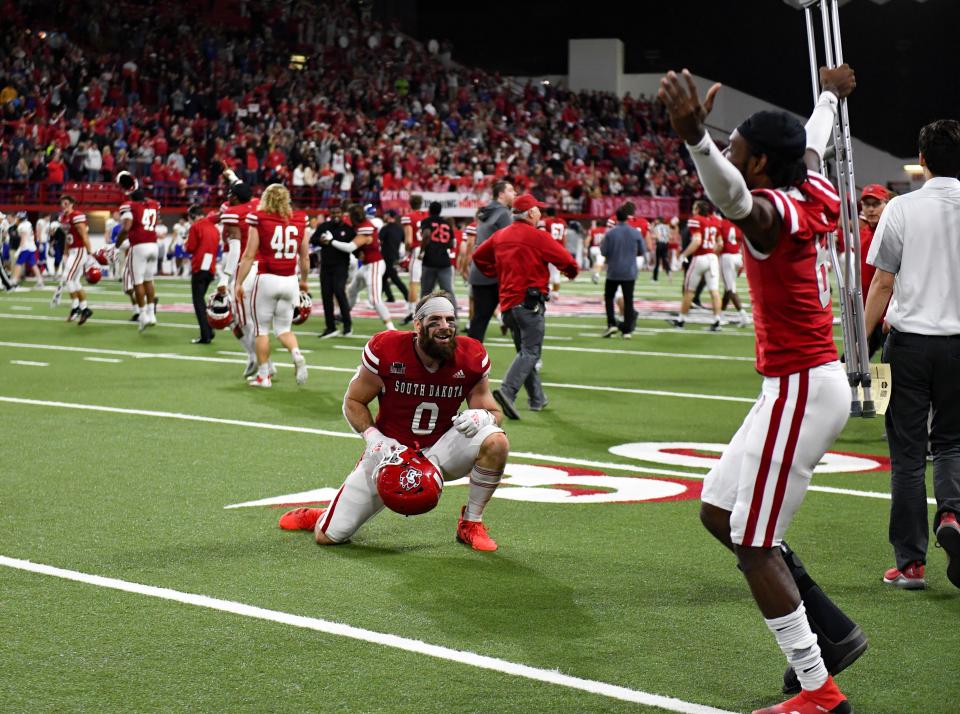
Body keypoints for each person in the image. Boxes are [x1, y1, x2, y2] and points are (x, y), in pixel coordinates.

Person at [660, 65, 865, 714]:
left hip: (802, 385)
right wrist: (829, 94)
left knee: (754, 543)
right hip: (797, 382)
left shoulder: (771, 212)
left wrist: (696, 142)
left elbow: (735, 200)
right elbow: (813, 140)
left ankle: (818, 689)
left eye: (739, 151)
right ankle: (829, 629)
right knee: (720, 514)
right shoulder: (810, 183)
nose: (731, 155)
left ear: (763, 165)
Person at [277, 291, 509, 552]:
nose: (445, 327)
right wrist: (374, 438)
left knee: (496, 441)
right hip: (390, 452)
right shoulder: (387, 349)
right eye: (435, 320)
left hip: (442, 449)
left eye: (450, 319)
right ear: (418, 325)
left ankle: (471, 522)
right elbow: (354, 401)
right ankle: (327, 513)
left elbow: (493, 411)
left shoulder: (471, 356)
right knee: (329, 536)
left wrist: (484, 416)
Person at [863, 119, 960, 592]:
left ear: (921, 160)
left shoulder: (901, 208)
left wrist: (859, 346)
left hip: (911, 343)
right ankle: (953, 514)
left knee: (906, 456)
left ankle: (910, 564)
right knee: (953, 442)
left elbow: (882, 282)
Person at [472, 193, 578, 420]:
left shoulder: (501, 235)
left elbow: (479, 256)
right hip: (530, 303)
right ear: (530, 213)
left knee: (525, 352)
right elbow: (567, 261)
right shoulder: (537, 236)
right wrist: (571, 272)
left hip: (508, 305)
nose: (539, 212)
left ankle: (537, 398)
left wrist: (494, 273)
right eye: (537, 209)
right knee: (531, 352)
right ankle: (508, 391)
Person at [235, 183, 310, 388]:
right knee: (284, 329)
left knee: (261, 330)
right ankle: (296, 355)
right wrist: (304, 281)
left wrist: (239, 282)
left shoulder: (260, 218)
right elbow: (305, 258)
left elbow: (249, 255)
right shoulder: (300, 219)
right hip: (290, 280)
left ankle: (263, 376)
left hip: (267, 278)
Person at [321, 204, 396, 331]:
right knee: (352, 291)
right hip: (366, 265)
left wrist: (331, 241)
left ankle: (391, 328)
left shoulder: (365, 228)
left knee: (375, 299)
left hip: (374, 265)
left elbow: (350, 247)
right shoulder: (362, 224)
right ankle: (342, 315)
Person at [218, 171, 263, 377]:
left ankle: (262, 362)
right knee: (247, 320)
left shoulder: (233, 212)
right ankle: (255, 357)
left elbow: (235, 250)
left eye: (230, 194)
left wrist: (224, 278)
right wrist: (231, 174)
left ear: (235, 197)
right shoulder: (257, 204)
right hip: (262, 268)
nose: (228, 197)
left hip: (243, 269)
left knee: (241, 321)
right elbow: (241, 187)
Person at [465, 180, 515, 341]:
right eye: (511, 190)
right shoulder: (504, 214)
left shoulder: (485, 211)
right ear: (501, 194)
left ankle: (468, 359)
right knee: (519, 316)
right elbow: (509, 245)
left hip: (479, 269)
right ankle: (528, 359)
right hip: (495, 271)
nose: (514, 193)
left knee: (479, 318)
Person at [115, 171, 161, 333]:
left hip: (139, 246)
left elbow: (126, 228)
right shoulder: (153, 204)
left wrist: (117, 243)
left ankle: (142, 315)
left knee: (138, 282)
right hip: (153, 245)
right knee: (149, 280)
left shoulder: (130, 206)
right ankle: (151, 314)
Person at [672, 200, 722, 331]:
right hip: (712, 258)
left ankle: (681, 320)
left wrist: (683, 255)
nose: (693, 211)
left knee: (689, 291)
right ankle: (717, 321)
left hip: (699, 258)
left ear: (698, 209)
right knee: (714, 291)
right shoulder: (715, 221)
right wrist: (711, 253)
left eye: (694, 208)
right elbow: (720, 243)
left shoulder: (696, 220)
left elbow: (697, 240)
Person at [601, 205, 646, 339]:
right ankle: (627, 330)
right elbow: (642, 251)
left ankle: (611, 324)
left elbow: (604, 251)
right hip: (629, 271)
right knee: (628, 299)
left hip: (613, 271)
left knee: (609, 297)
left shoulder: (610, 233)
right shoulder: (635, 232)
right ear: (627, 218)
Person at [857, 184, 890, 358]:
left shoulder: (894, 233)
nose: (870, 209)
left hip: (889, 318)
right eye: (866, 204)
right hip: (867, 315)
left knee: (895, 373)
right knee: (849, 366)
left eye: (876, 204)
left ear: (886, 203)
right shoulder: (860, 235)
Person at [314, 204, 355, 339]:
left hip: (341, 266)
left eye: (338, 212)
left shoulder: (348, 229)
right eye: (333, 212)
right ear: (330, 214)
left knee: (339, 292)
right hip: (326, 266)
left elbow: (353, 246)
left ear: (342, 213)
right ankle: (330, 327)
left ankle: (347, 325)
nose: (335, 215)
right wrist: (321, 241)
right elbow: (313, 239)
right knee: (326, 295)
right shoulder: (324, 227)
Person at [185, 205, 221, 345]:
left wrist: (185, 243)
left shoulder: (196, 227)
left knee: (198, 301)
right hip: (210, 266)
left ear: (193, 216)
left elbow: (191, 248)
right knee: (201, 300)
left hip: (199, 266)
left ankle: (206, 334)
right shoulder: (214, 227)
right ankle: (209, 329)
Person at [58, 195, 94, 324]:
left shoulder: (76, 215)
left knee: (68, 278)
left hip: (79, 251)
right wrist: (65, 253)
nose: (64, 206)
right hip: (72, 252)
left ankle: (76, 307)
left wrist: (90, 254)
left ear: (72, 204)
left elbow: (84, 235)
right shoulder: (63, 218)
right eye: (62, 203)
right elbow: (67, 237)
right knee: (75, 281)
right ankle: (84, 309)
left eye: (66, 203)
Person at [419, 201, 457, 306]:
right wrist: (442, 246)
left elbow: (426, 235)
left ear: (429, 210)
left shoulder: (426, 221)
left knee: (426, 291)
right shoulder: (447, 224)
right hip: (444, 260)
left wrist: (422, 251)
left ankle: (423, 316)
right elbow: (451, 243)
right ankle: (454, 315)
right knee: (448, 291)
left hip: (429, 260)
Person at [401, 194, 429, 322]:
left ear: (410, 203)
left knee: (414, 281)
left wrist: (407, 253)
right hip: (429, 250)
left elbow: (408, 240)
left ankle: (411, 311)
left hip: (417, 250)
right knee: (427, 282)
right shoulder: (426, 216)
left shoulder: (408, 217)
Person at [719, 215, 750, 326]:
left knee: (730, 288)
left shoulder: (721, 223)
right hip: (737, 255)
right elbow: (743, 242)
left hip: (727, 257)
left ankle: (743, 316)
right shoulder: (738, 223)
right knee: (728, 288)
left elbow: (719, 243)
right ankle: (721, 314)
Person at [379, 209, 408, 305]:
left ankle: (407, 295)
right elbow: (404, 241)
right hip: (395, 256)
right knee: (383, 278)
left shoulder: (385, 228)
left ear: (388, 216)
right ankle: (390, 297)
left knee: (394, 278)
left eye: (385, 214)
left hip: (386, 256)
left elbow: (379, 241)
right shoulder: (400, 228)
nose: (384, 216)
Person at [10, 212, 44, 289]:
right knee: (33, 265)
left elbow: (23, 238)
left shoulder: (22, 226)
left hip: (26, 248)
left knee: (18, 264)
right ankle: (40, 281)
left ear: (20, 218)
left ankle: (14, 281)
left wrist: (19, 250)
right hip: (31, 247)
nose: (16, 219)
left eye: (17, 217)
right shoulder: (28, 223)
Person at [542, 207, 568, 294]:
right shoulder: (563, 222)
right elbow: (564, 237)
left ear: (546, 214)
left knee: (546, 272)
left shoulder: (545, 221)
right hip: (559, 249)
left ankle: (548, 292)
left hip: (548, 249)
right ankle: (556, 294)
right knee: (556, 273)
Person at [651, 216, 672, 282]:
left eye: (656, 220)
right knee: (665, 259)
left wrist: (652, 237)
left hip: (659, 244)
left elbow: (657, 236)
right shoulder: (667, 227)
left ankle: (655, 278)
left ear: (659, 220)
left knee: (657, 262)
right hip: (665, 244)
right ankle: (669, 272)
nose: (655, 221)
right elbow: (670, 237)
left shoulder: (656, 227)